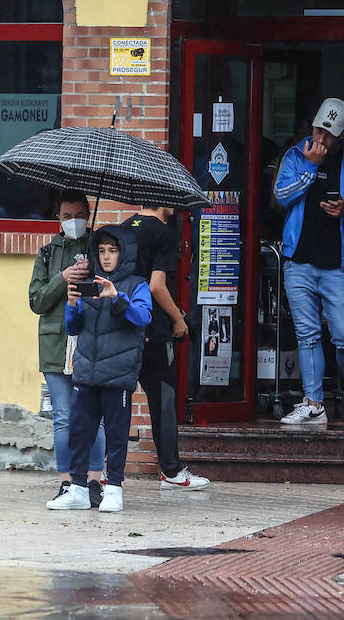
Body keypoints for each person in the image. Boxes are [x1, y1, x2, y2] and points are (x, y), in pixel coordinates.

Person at [273, 97, 344, 425]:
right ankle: (313, 401)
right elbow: (281, 196)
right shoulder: (295, 155)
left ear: (343, 134)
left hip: (338, 263)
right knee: (307, 334)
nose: (321, 139)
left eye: (329, 134)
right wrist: (310, 167)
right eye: (318, 130)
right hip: (299, 260)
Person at [46, 227, 152, 513]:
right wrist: (72, 304)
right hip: (87, 372)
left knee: (116, 434)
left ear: (124, 253)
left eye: (113, 251)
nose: (106, 257)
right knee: (80, 431)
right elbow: (73, 327)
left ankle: (114, 488)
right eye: (102, 250)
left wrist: (116, 296)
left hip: (118, 374)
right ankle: (78, 488)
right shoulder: (88, 283)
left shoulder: (137, 284)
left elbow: (143, 317)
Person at [123, 203, 210, 491]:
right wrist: (178, 319)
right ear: (164, 201)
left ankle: (107, 473)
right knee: (163, 400)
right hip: (154, 330)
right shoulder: (164, 234)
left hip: (122, 328)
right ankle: (171, 472)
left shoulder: (122, 229)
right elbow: (157, 285)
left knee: (114, 403)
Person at [29, 190, 106, 506]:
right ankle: (66, 482)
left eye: (79, 215)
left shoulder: (99, 249)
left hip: (91, 342)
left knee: (94, 417)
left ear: (88, 216)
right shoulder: (47, 253)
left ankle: (94, 481)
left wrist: (93, 272)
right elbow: (37, 301)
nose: (73, 222)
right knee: (63, 417)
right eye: (66, 216)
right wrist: (63, 278)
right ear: (57, 218)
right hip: (55, 343)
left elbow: (112, 291)